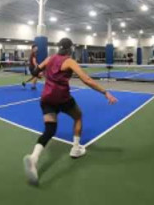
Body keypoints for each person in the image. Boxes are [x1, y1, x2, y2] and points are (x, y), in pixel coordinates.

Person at [23, 38, 117, 185]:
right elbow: (86, 79)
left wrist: (41, 74)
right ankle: (75, 148)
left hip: (47, 99)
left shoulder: (49, 58)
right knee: (78, 116)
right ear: (69, 49)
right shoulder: (69, 61)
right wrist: (105, 92)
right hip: (63, 99)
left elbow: (34, 71)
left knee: (50, 130)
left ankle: (34, 158)